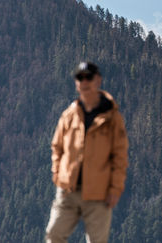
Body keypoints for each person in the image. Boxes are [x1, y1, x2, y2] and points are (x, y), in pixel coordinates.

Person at [45, 61, 129, 243]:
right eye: (79, 77)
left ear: (98, 80)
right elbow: (56, 146)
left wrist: (115, 188)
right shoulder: (69, 114)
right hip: (68, 190)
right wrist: (57, 174)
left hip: (99, 193)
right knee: (54, 235)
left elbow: (120, 156)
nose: (84, 81)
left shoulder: (112, 117)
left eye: (88, 77)